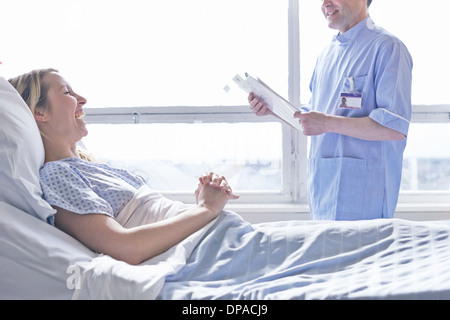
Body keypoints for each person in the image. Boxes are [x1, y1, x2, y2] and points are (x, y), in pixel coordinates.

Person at [9, 68, 239, 265]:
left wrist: (201, 202)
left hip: (215, 239)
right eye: (67, 92)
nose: (83, 99)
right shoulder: (58, 175)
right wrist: (206, 209)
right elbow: (126, 247)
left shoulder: (88, 168)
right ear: (39, 112)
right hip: (209, 248)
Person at [249, 0, 412, 220]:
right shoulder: (326, 55)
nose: (325, 3)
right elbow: (313, 119)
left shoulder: (387, 48)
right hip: (322, 188)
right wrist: (273, 109)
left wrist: (327, 123)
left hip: (364, 194)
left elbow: (394, 128)